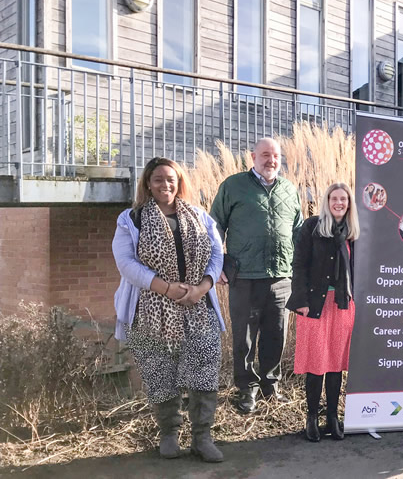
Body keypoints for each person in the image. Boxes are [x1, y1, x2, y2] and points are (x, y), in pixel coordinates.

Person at [112, 157, 225, 462]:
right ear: (148, 183)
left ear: (179, 182)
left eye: (171, 179)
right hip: (151, 308)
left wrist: (201, 288)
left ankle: (202, 438)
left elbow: (216, 254)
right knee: (160, 372)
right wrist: (166, 287)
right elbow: (126, 264)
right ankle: (169, 434)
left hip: (197, 306)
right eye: (159, 179)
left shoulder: (200, 215)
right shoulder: (131, 219)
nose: (166, 185)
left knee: (204, 370)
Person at [210, 137, 303, 413]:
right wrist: (220, 263)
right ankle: (247, 389)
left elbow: (298, 231)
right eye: (265, 155)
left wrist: (300, 270)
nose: (271, 160)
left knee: (277, 334)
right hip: (245, 276)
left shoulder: (289, 189)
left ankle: (270, 386)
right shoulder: (233, 186)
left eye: (275, 156)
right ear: (253, 157)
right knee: (245, 337)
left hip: (281, 277)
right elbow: (214, 227)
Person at [286, 183, 359, 442]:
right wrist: (301, 300)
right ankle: (311, 418)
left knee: (337, 364)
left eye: (344, 199)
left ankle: (332, 416)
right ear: (326, 200)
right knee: (317, 364)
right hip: (314, 304)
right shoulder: (312, 227)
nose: (339, 203)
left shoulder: (353, 233)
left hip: (342, 304)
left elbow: (358, 270)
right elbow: (299, 265)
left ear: (349, 203)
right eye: (334, 198)